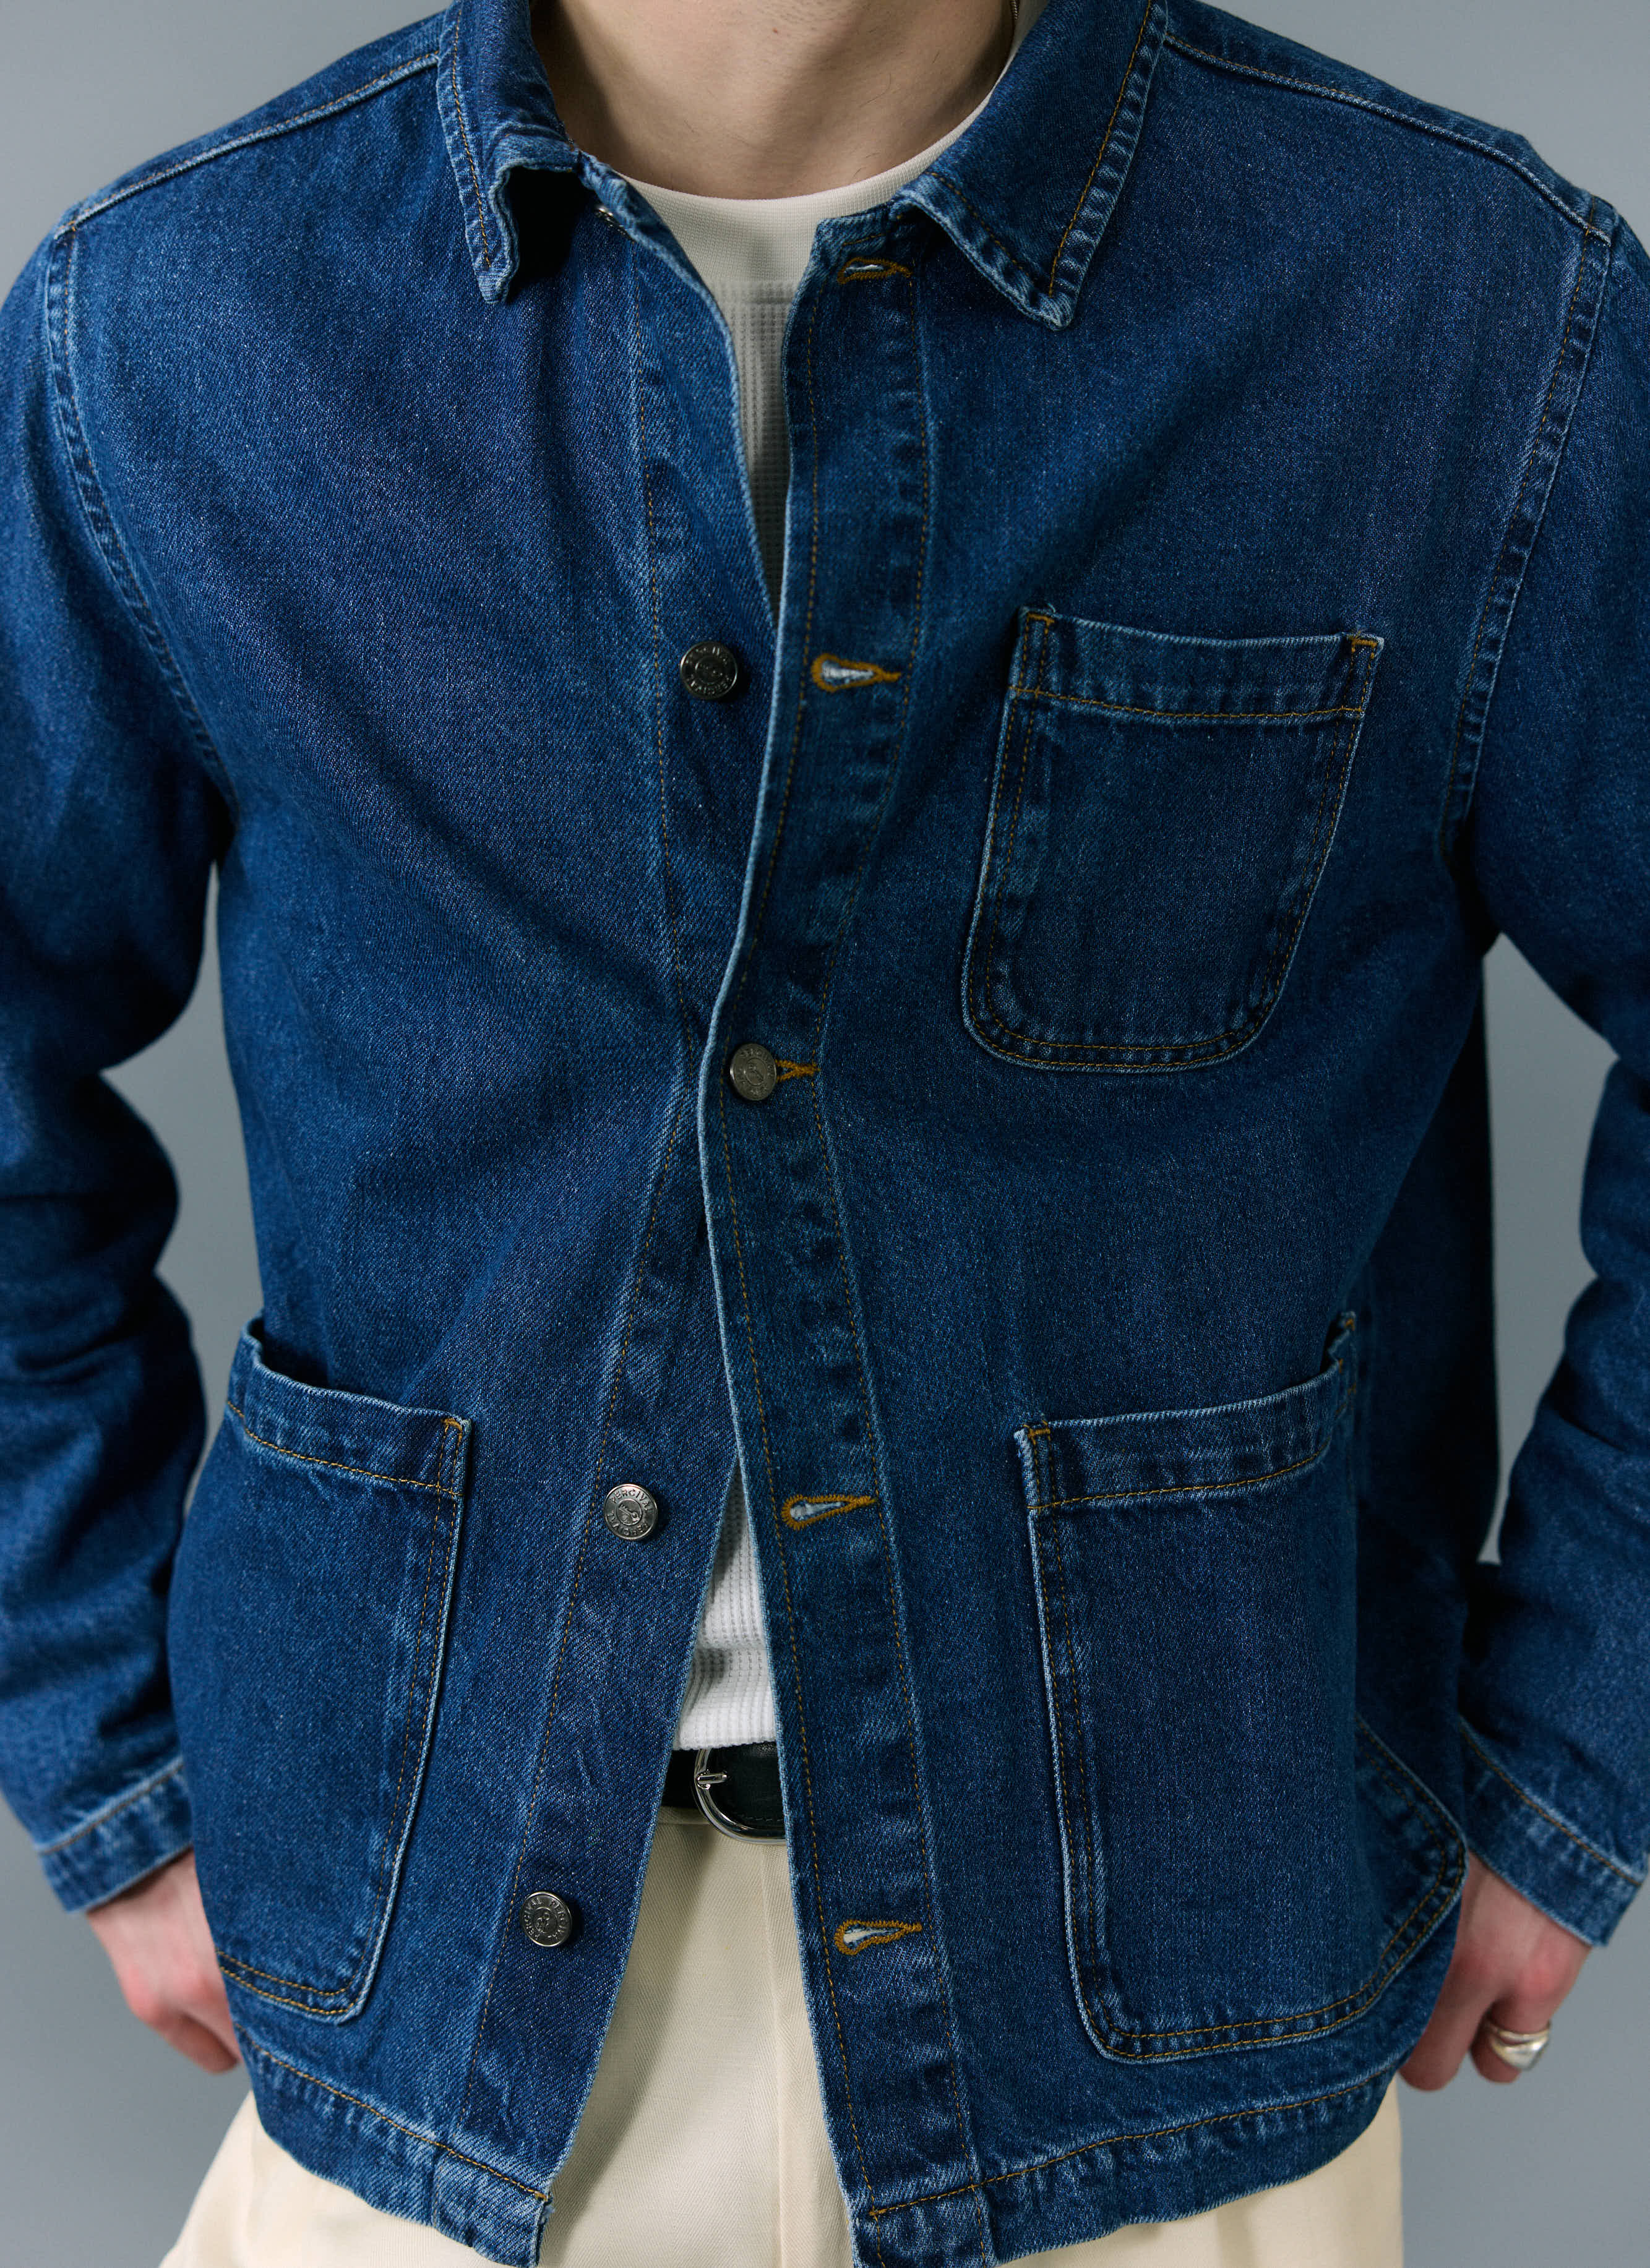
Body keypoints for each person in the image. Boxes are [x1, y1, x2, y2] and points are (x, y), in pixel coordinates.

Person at [1, 0, 1645, 2260]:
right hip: (427, 1988)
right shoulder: (181, 321)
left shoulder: (1463, 314)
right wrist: (113, 1765)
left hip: (1158, 2023)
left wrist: (1567, 1763)